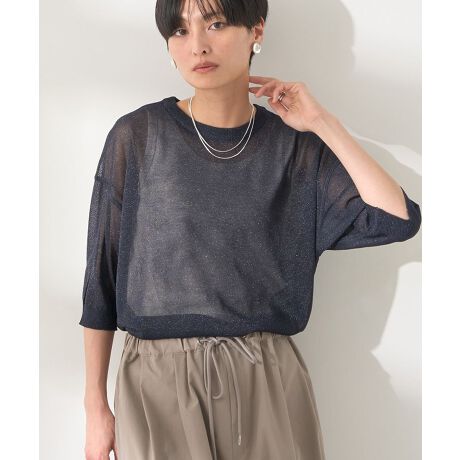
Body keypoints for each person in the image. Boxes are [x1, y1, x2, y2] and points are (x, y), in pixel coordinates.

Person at [80, 0, 422, 459]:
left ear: (256, 30)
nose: (198, 45)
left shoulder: (294, 148)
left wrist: (322, 123)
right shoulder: (138, 136)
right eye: (180, 31)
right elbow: (100, 282)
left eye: (216, 24)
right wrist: (95, 407)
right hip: (156, 386)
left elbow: (396, 218)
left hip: (266, 379)